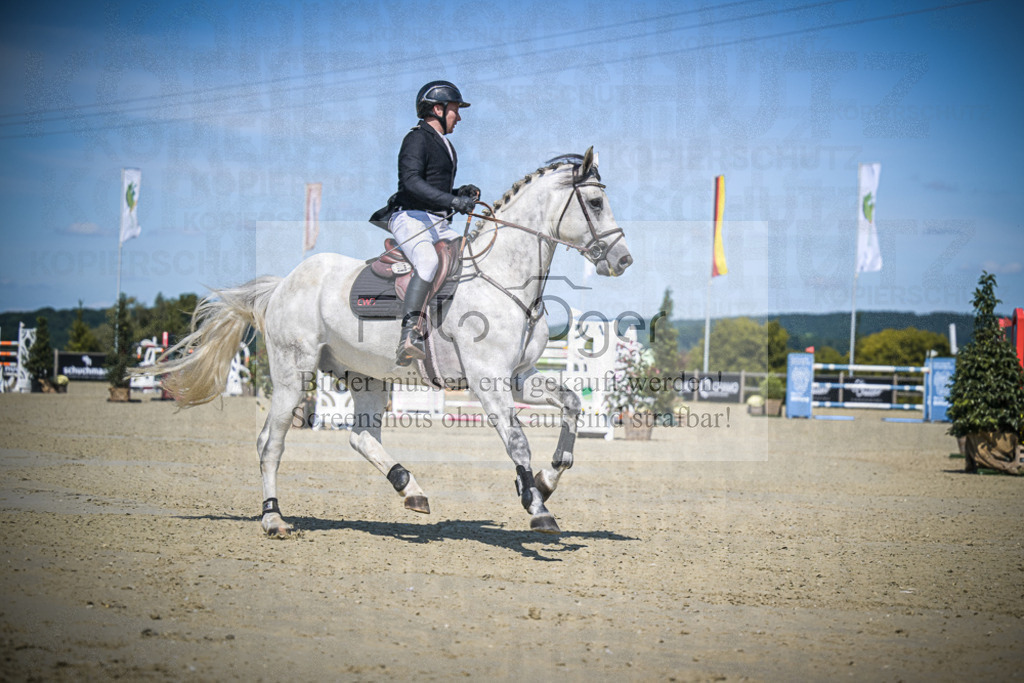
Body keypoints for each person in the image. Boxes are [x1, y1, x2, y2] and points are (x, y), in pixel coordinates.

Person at [375, 80, 480, 366]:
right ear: (437, 108)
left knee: (472, 255)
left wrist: (458, 194)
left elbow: (436, 190)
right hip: (410, 217)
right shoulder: (416, 138)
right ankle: (409, 334)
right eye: (455, 110)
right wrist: (452, 202)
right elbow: (411, 183)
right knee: (427, 262)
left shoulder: (446, 144)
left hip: (436, 220)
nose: (458, 117)